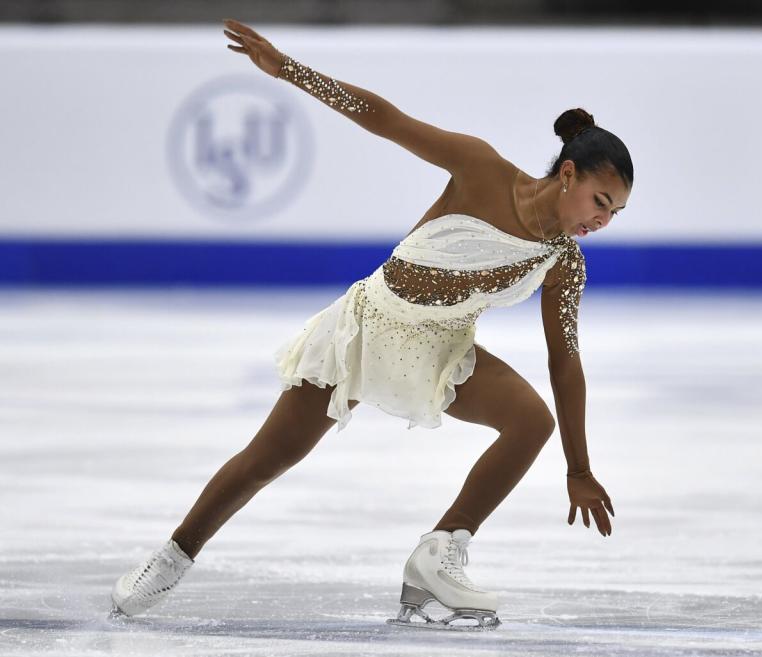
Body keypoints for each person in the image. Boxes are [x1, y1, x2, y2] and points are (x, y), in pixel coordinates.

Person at [109, 18, 631, 631]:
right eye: (600, 201)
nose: (602, 220)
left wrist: (578, 467)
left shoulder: (562, 263)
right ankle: (171, 559)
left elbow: (564, 363)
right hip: (365, 331)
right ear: (568, 173)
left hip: (440, 353)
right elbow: (384, 118)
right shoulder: (481, 169)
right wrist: (291, 71)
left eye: (615, 212)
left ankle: (438, 557)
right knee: (266, 459)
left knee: (530, 422)